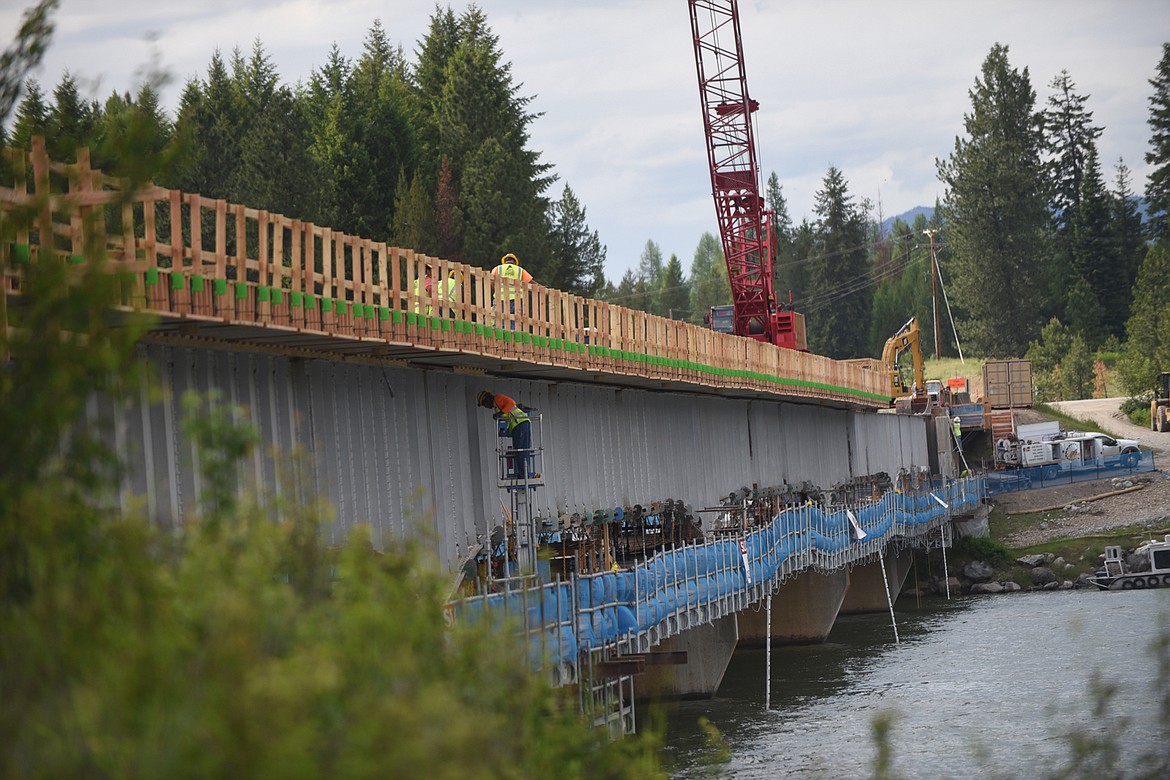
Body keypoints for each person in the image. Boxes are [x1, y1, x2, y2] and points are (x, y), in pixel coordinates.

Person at [478, 389, 533, 480]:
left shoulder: (497, 398)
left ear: (486, 399)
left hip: (520, 422)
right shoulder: (496, 406)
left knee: (521, 450)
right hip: (517, 425)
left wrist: (499, 413)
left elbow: (511, 403)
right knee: (518, 450)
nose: (486, 406)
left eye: (484, 404)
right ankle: (523, 474)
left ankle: (524, 475)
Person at [489, 253, 532, 328]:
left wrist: (493, 293)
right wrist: (543, 287)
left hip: (500, 299)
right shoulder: (520, 270)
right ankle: (513, 338)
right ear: (515, 262)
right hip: (516, 300)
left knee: (500, 320)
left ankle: (500, 337)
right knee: (514, 322)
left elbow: (491, 283)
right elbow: (531, 282)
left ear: (505, 261)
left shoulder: (497, 269)